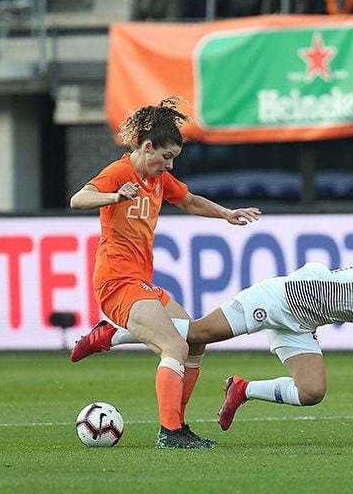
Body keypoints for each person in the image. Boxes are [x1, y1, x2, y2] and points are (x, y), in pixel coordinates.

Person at [70, 208, 353, 431]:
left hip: (300, 323)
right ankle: (113, 333)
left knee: (313, 391)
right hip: (281, 298)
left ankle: (242, 389)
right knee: (199, 334)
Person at [69, 98, 261, 448]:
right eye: (166, 156)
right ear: (146, 147)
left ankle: (177, 424)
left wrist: (226, 213)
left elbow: (188, 201)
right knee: (174, 345)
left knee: (197, 338)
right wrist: (113, 197)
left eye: (174, 158)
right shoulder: (120, 173)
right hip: (117, 282)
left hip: (142, 282)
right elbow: (78, 199)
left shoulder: (158, 180)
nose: (169, 165)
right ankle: (169, 433)